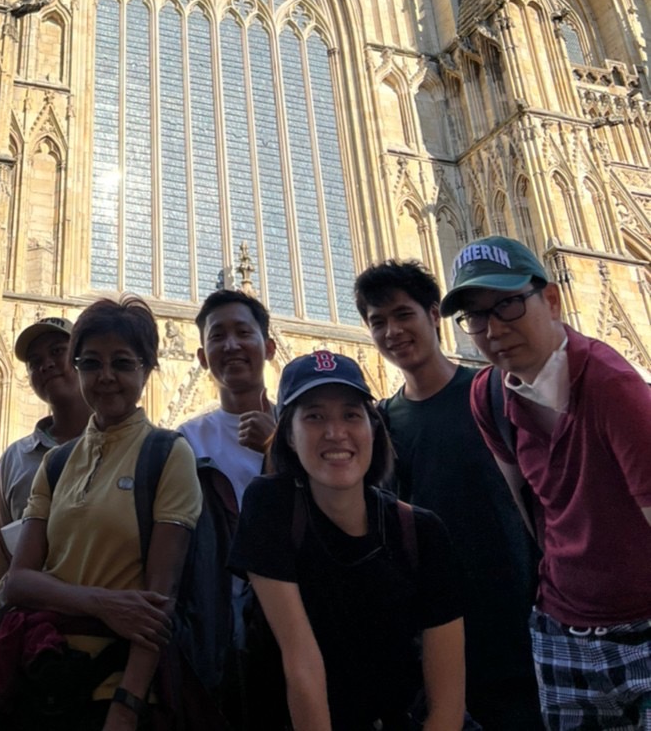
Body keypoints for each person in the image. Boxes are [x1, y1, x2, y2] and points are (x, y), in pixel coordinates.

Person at [441, 235, 651, 731]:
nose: (492, 329)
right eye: (475, 316)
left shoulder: (612, 388)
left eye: (508, 305)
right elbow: (532, 510)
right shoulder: (488, 394)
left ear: (552, 300)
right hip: (563, 633)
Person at [229, 350, 466, 731]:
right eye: (315, 416)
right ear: (288, 434)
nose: (335, 432)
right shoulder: (271, 508)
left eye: (351, 414)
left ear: (374, 428)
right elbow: (302, 663)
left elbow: (448, 700)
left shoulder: (421, 532)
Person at [355, 258, 542, 731]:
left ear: (433, 315)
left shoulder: (494, 393)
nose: (392, 332)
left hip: (522, 630)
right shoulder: (381, 424)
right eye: (378, 322)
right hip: (442, 645)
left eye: (403, 315)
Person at [2, 296, 202, 731]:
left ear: (147, 370)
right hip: (46, 678)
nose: (106, 377)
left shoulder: (168, 454)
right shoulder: (56, 464)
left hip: (118, 689)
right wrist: (103, 603)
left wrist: (127, 704)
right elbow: (13, 583)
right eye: (92, 363)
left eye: (123, 363)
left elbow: (158, 601)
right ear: (78, 370)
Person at [0, 317, 91, 581]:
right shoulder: (15, 459)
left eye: (58, 352)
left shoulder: (122, 444)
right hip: (36, 617)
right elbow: (3, 561)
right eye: (34, 362)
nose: (46, 364)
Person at [179, 288, 275, 506]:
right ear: (203, 358)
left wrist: (275, 447)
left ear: (269, 349)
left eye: (243, 333)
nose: (231, 346)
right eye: (217, 336)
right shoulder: (185, 440)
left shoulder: (302, 428)